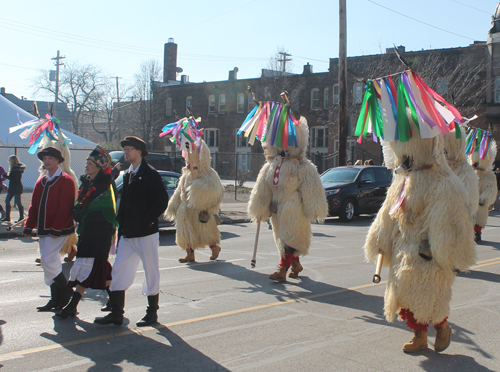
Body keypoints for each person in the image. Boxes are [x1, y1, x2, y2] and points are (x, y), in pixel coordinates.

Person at [95, 136, 169, 327]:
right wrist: (121, 224)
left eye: (129, 149)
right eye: (125, 149)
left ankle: (152, 312)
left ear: (139, 152)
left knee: (151, 272)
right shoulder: (128, 174)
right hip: (128, 234)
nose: (126, 152)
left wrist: (148, 220)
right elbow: (125, 204)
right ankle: (117, 313)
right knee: (119, 271)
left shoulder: (150, 174)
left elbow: (161, 202)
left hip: (146, 234)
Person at [248, 117, 328, 281]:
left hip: (295, 209)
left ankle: (282, 270)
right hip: (277, 210)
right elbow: (263, 189)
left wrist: (313, 207)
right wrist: (260, 208)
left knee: (291, 237)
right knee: (284, 239)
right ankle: (296, 264)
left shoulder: (302, 165)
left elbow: (311, 187)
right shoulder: (271, 166)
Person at [57, 146, 117, 318]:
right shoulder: (87, 183)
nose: (86, 166)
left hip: (100, 232)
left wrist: (84, 216)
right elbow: (80, 203)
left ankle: (72, 305)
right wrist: (77, 212)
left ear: (99, 166)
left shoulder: (105, 184)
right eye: (87, 163)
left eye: (90, 163)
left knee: (87, 266)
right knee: (100, 268)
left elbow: (106, 210)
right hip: (88, 231)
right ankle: (114, 300)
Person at [23, 147, 75, 311]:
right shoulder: (41, 181)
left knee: (47, 259)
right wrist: (28, 226)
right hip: (44, 229)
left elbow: (64, 207)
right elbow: (34, 206)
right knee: (51, 262)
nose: (47, 161)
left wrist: (56, 228)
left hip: (58, 229)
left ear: (58, 161)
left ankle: (66, 290)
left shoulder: (66, 180)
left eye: (50, 158)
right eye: (44, 158)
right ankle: (55, 298)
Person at [164, 139, 224, 263]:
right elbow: (180, 189)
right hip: (185, 209)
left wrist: (197, 190)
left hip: (200, 210)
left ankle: (214, 248)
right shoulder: (186, 174)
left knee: (205, 232)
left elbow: (215, 190)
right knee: (186, 232)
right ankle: (189, 253)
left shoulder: (209, 174)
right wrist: (174, 204)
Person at [2, 155, 26, 222]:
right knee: (8, 201)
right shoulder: (15, 168)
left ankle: (21, 217)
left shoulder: (16, 169)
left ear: (12, 161)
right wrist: (7, 176)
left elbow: (15, 179)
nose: (9, 162)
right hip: (13, 187)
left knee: (18, 202)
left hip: (16, 187)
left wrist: (6, 176)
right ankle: (8, 217)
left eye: (10, 161)